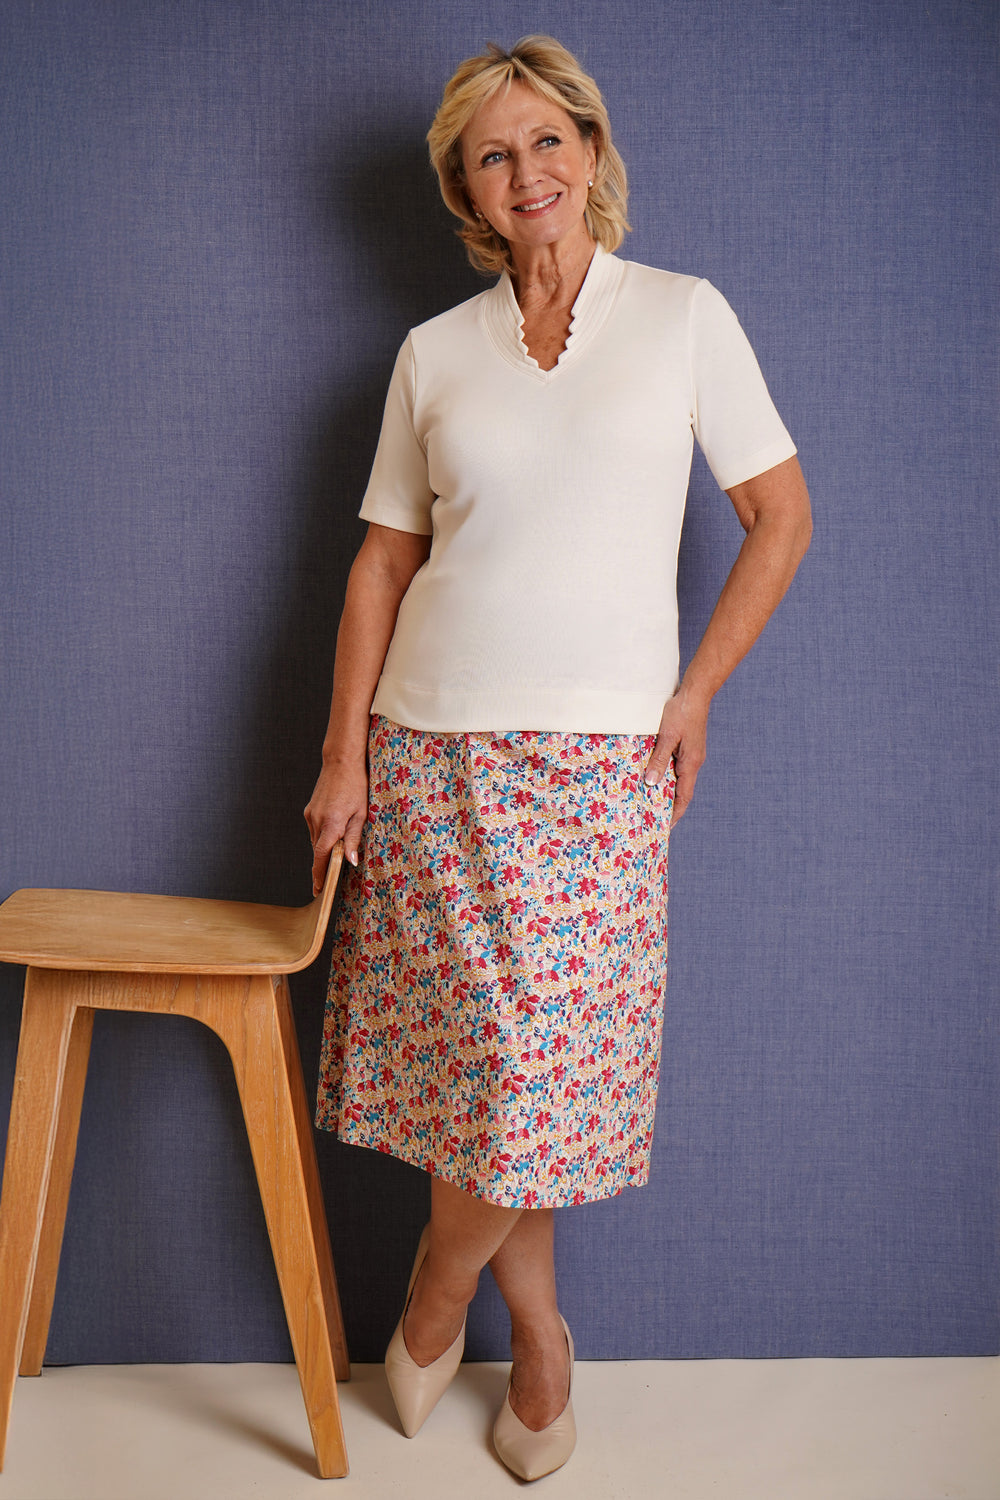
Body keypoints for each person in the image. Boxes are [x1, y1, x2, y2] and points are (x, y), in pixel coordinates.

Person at [305, 35, 811, 1481]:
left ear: (591, 151)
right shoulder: (432, 354)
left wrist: (695, 693)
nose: (525, 172)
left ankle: (438, 1290)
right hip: (428, 758)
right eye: (492, 154)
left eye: (547, 141)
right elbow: (379, 566)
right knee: (488, 1073)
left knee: (535, 1072)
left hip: (597, 769)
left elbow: (782, 516)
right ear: (465, 190)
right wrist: (344, 756)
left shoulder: (684, 318)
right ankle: (540, 1342)